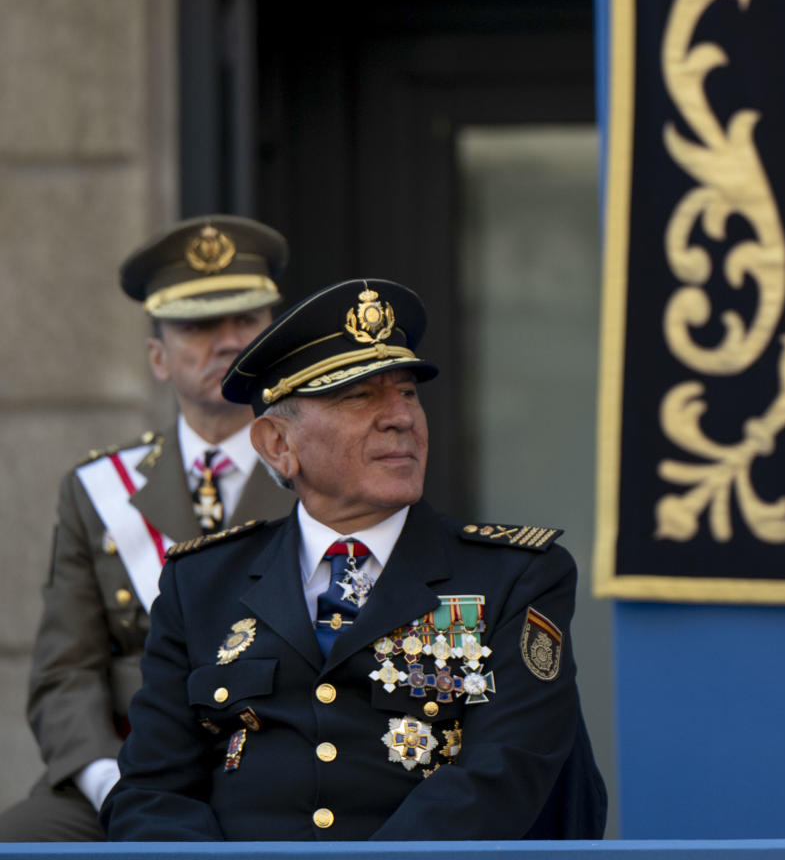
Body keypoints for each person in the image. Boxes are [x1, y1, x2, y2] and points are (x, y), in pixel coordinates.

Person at [102, 278, 605, 841]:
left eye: (409, 393)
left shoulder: (518, 575)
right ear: (277, 445)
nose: (401, 418)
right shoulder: (199, 584)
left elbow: (503, 774)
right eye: (359, 396)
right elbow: (152, 791)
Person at [0, 217, 295, 842]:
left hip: (275, 770)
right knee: (24, 840)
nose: (225, 341)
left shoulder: (319, 475)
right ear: (158, 357)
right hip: (129, 772)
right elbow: (65, 674)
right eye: (197, 325)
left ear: (275, 337)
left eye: (245, 321)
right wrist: (114, 786)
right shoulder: (98, 490)